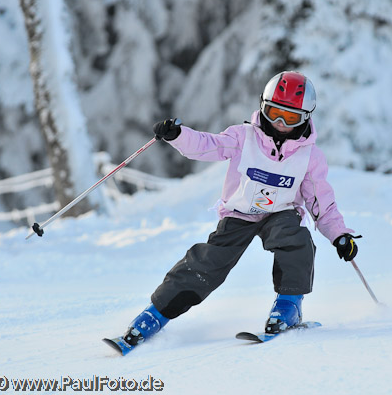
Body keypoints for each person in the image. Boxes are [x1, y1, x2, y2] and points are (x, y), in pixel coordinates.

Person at [122, 71, 360, 346]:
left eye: (291, 118)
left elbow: (321, 201)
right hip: (238, 213)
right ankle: (156, 315)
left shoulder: (310, 157)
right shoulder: (242, 137)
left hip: (281, 212)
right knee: (207, 262)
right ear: (262, 107)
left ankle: (288, 306)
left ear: (306, 117)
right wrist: (178, 135)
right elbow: (206, 146)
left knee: (296, 241)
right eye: (274, 113)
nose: (281, 124)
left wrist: (339, 234)